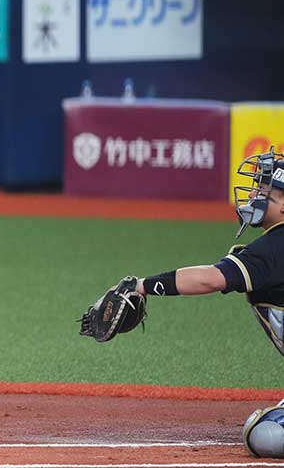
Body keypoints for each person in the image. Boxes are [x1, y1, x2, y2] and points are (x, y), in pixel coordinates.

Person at [90, 147, 284, 457]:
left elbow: (210, 278)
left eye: (263, 190)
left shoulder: (274, 248)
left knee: (264, 434)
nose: (253, 195)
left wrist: (142, 286)